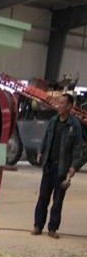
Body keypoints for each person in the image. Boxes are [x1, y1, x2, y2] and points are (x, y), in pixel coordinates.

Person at [32, 93, 83, 239]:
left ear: (69, 106)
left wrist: (74, 166)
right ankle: (38, 225)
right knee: (43, 197)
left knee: (58, 200)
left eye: (62, 103)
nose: (58, 106)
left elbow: (78, 148)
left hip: (62, 168)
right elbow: (45, 138)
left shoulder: (74, 126)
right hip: (49, 166)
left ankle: (52, 228)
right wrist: (40, 151)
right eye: (58, 103)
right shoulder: (53, 121)